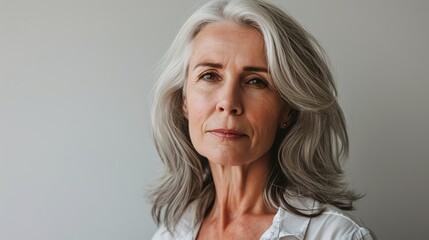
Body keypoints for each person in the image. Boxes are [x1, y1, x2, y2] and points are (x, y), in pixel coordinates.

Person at [149, 0, 373, 239]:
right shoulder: (169, 234)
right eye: (210, 75)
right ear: (184, 102)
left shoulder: (337, 235)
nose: (228, 103)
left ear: (288, 109)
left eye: (256, 81)